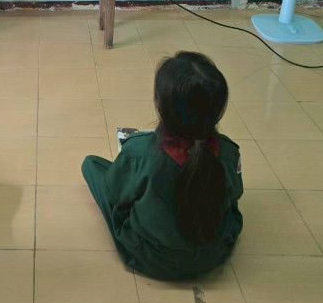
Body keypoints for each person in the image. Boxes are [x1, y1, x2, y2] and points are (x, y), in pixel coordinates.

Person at [81, 51, 243, 280]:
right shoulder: (228, 152)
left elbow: (116, 194)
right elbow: (235, 193)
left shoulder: (138, 151)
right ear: (218, 111)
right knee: (230, 208)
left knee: (91, 165)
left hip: (150, 256)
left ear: (160, 105)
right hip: (213, 255)